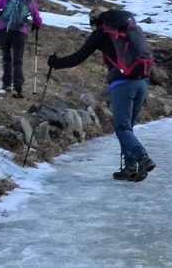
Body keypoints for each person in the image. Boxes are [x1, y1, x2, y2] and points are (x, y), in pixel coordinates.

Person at [47, 9, 156, 182]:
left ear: (94, 21)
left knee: (122, 128)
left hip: (123, 83)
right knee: (127, 128)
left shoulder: (102, 32)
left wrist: (57, 63)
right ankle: (129, 167)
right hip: (142, 80)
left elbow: (80, 56)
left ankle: (142, 158)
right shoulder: (130, 27)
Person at [0, 0, 44, 98]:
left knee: (6, 57)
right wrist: (38, 24)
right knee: (17, 60)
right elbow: (36, 17)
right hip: (20, 32)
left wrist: (1, 13)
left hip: (3, 30)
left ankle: (6, 83)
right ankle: (18, 87)